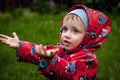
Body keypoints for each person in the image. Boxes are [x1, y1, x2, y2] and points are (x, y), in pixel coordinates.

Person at [0, 4, 111, 80]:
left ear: (89, 36)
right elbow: (39, 52)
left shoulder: (88, 60)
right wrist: (20, 45)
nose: (67, 34)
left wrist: (51, 60)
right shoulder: (60, 49)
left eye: (75, 31)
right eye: (65, 29)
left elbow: (69, 73)